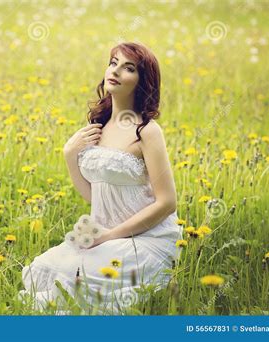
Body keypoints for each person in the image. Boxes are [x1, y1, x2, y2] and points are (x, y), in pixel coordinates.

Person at [18, 42, 182, 314]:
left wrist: (109, 236)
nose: (116, 71)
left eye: (128, 68)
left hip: (146, 238)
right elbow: (97, 196)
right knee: (43, 269)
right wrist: (70, 154)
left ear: (143, 82)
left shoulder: (147, 131)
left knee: (78, 274)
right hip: (105, 234)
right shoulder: (98, 126)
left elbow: (167, 203)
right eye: (113, 62)